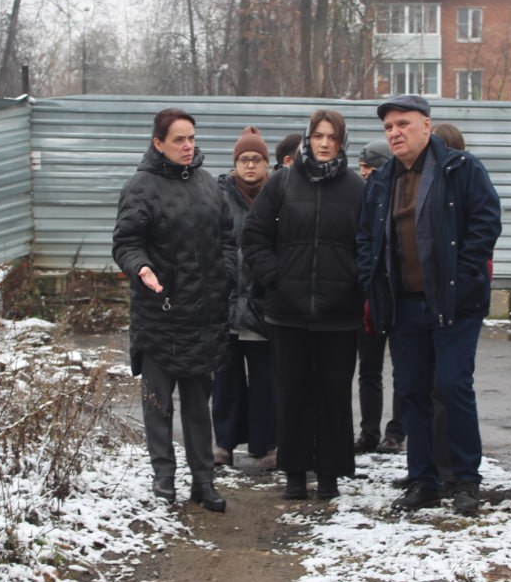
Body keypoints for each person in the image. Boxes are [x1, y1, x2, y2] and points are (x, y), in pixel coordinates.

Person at [358, 94, 502, 516]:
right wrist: (372, 280)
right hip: (403, 305)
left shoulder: (461, 169)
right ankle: (422, 479)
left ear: (426, 125)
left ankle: (465, 479)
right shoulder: (383, 180)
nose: (395, 133)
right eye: (388, 128)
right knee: (412, 393)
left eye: (402, 124)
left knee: (455, 387)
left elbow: (486, 221)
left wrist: (465, 272)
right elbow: (366, 236)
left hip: (454, 302)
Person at [112, 107, 235, 512]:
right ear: (158, 143)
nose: (187, 146)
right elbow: (127, 242)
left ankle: (204, 481)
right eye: (179, 139)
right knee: (158, 406)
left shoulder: (207, 185)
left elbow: (227, 239)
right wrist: (141, 268)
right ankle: (164, 480)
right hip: (159, 315)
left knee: (199, 407)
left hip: (203, 316)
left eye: (192, 138)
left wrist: (226, 275)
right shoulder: (140, 187)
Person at [243, 109, 364, 501]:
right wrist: (274, 278)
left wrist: (353, 284)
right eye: (318, 136)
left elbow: (370, 246)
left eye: (332, 136)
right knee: (292, 394)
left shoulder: (357, 188)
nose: (324, 143)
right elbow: (255, 235)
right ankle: (294, 474)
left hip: (339, 315)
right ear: (307, 139)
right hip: (288, 313)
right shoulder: (281, 183)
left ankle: (329, 476)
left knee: (333, 396)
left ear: (341, 141)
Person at [212, 126, 277, 471]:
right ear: (235, 163)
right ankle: (223, 443)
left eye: (256, 159)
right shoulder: (219, 196)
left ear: (267, 163)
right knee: (226, 379)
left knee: (267, 380)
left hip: (263, 304)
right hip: (226, 303)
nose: (250, 165)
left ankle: (266, 443)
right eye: (243, 159)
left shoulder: (276, 194)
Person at [354, 139, 405, 455]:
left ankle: (397, 432)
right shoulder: (358, 199)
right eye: (361, 169)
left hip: (398, 298)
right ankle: (369, 432)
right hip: (368, 297)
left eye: (369, 169)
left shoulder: (403, 198)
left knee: (404, 369)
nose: (363, 175)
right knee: (368, 369)